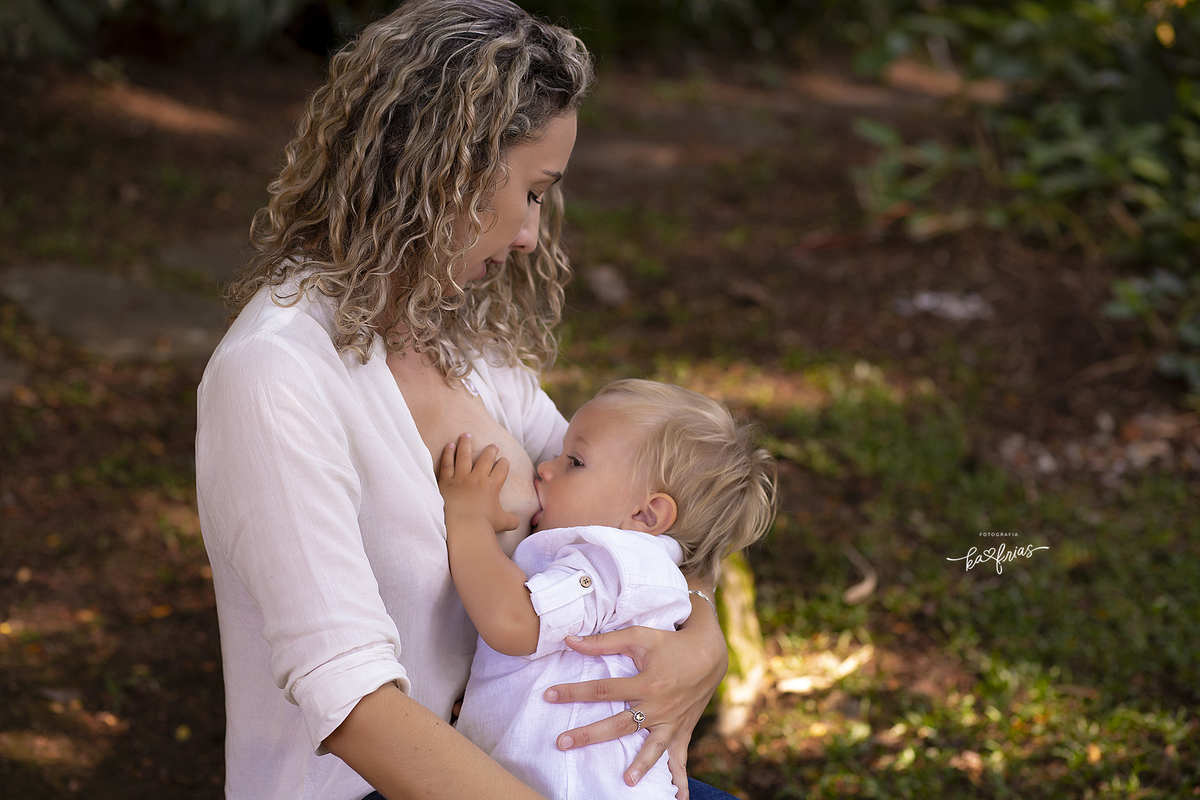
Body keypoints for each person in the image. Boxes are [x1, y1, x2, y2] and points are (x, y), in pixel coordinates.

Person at [195, 2, 732, 799]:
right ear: (451, 172)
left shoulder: (460, 339)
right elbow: (353, 707)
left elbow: (632, 506)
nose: (530, 236)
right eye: (534, 192)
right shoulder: (275, 376)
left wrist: (701, 640)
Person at [438, 379, 778, 798]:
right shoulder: (639, 565)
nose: (544, 468)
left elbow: (512, 621)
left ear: (647, 515)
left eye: (574, 462)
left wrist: (468, 518)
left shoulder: (616, 559)